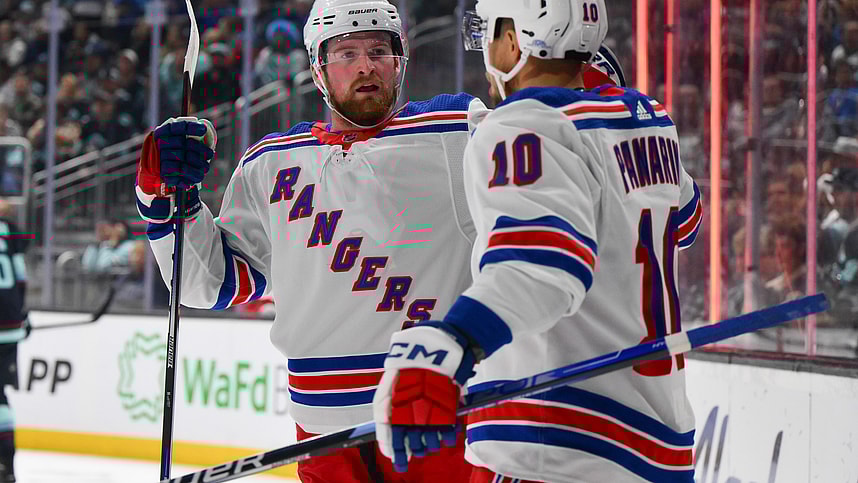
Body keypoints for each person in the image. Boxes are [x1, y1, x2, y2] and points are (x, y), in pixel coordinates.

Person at [137, 1, 485, 481]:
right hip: (321, 434)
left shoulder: (458, 130)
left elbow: (546, 163)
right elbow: (208, 283)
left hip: (436, 414)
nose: (366, 65)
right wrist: (164, 195)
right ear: (318, 69)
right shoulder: (269, 164)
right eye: (346, 53)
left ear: (400, 59)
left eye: (379, 50)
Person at [372, 1, 704, 482]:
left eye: (490, 31)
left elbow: (541, 267)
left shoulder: (523, 123)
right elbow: (686, 220)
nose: (487, 47)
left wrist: (452, 342)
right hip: (657, 442)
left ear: (516, 37)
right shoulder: (648, 118)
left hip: (557, 439)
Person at [0, 198, 29, 482]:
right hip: (10, 324)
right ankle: (6, 464)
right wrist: (22, 316)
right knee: (0, 396)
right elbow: (21, 279)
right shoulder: (12, 232)